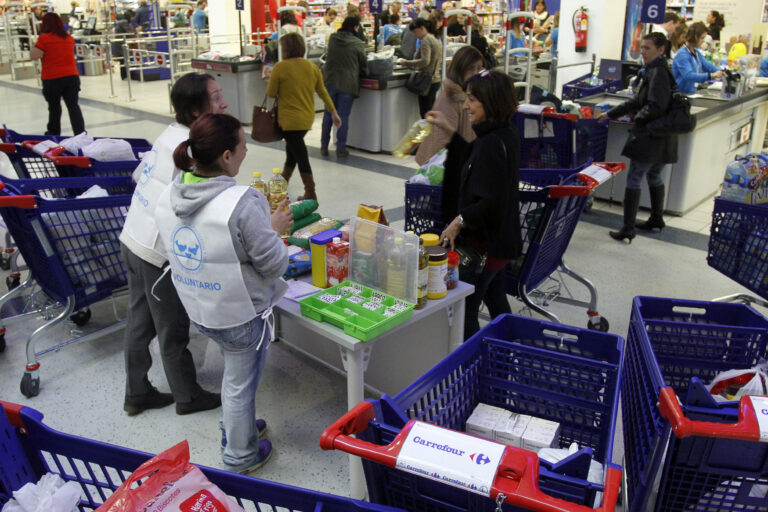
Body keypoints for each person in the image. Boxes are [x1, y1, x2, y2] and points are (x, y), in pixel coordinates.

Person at [154, 113, 292, 474]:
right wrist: (274, 230)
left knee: (234, 377)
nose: (247, 150)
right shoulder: (242, 203)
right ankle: (240, 454)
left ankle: (236, 427)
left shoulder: (173, 192)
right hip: (240, 313)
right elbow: (274, 264)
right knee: (239, 384)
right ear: (227, 156)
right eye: (243, 144)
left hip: (201, 306)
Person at [119, 73, 227, 417]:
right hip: (156, 253)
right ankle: (188, 396)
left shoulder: (170, 134)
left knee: (139, 323)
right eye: (216, 97)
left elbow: (139, 176)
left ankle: (137, 392)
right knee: (172, 328)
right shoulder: (192, 149)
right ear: (196, 110)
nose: (223, 103)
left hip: (132, 237)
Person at [427, 70, 521, 340]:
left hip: (485, 245)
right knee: (496, 299)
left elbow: (492, 201)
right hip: (500, 242)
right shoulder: (505, 133)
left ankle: (478, 362)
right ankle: (510, 351)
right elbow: (474, 157)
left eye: (472, 99)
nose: (466, 106)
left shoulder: (492, 142)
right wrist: (449, 131)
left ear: (491, 101)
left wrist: (458, 221)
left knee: (466, 310)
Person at [598, 33, 678, 243]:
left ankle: (628, 228)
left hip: (650, 134)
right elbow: (639, 101)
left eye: (647, 48)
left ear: (661, 49)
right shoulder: (659, 69)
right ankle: (656, 218)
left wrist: (638, 120)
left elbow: (654, 105)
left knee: (635, 177)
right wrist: (611, 113)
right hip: (663, 135)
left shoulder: (657, 72)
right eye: (642, 47)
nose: (643, 52)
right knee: (654, 175)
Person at [267, 33, 340, 201]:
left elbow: (270, 93)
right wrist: (333, 112)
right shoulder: (312, 67)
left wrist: (274, 78)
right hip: (306, 119)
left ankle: (310, 191)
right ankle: (282, 184)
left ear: (286, 49)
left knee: (300, 155)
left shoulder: (280, 67)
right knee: (293, 152)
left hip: (288, 120)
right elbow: (322, 92)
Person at [415, 45, 483, 166]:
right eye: (471, 69)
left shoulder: (470, 94)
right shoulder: (450, 97)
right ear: (459, 70)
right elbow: (442, 141)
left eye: (479, 68)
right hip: (443, 164)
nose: (476, 73)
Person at [29, 13, 85, 136]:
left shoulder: (44, 38)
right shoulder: (69, 38)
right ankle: (80, 133)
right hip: (71, 77)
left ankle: (54, 133)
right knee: (73, 106)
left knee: (54, 108)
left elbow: (34, 56)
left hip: (52, 78)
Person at [321, 16, 368, 158]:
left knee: (328, 114)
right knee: (343, 116)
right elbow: (363, 64)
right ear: (355, 27)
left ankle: (324, 146)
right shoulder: (357, 43)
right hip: (348, 83)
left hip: (330, 81)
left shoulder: (333, 38)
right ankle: (341, 148)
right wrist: (364, 73)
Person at [399, 18, 443, 118]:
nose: (415, 35)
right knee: (430, 111)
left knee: (425, 112)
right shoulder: (435, 38)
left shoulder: (426, 40)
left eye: (415, 31)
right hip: (435, 79)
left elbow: (425, 61)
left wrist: (407, 63)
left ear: (422, 28)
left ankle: (428, 129)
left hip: (427, 80)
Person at [672, 22, 725, 94]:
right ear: (694, 38)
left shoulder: (696, 52)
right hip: (681, 94)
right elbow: (688, 75)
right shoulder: (682, 54)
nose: (703, 41)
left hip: (691, 91)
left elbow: (708, 67)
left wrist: (723, 71)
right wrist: (711, 76)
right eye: (702, 38)